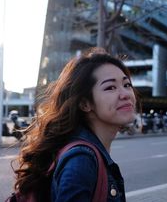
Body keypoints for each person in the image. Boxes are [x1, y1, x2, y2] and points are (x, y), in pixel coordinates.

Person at [11, 48, 139, 202]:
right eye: (110, 87)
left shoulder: (82, 150)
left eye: (126, 85)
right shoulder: (82, 159)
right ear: (85, 103)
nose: (125, 94)